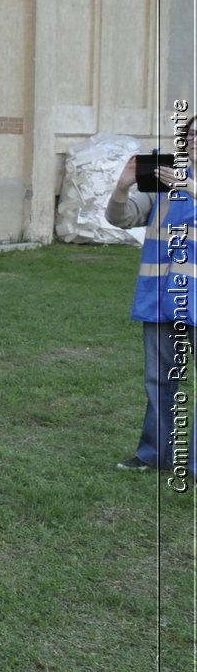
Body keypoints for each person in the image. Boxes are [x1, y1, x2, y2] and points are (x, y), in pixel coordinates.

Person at [105, 112, 193, 473]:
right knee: (159, 380)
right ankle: (154, 454)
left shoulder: (183, 184)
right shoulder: (165, 185)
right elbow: (120, 218)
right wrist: (123, 186)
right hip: (162, 299)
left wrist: (190, 186)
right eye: (192, 134)